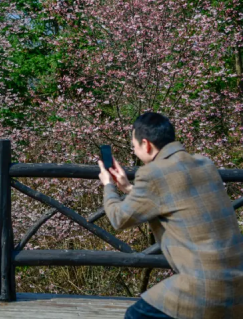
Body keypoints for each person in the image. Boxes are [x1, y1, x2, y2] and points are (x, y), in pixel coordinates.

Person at [98, 112, 243, 319]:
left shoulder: (152, 173)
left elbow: (118, 219)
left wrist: (108, 186)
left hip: (204, 288)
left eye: (134, 146)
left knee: (136, 314)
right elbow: (175, 200)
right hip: (237, 285)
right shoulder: (205, 164)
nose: (135, 150)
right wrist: (129, 188)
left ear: (146, 144)